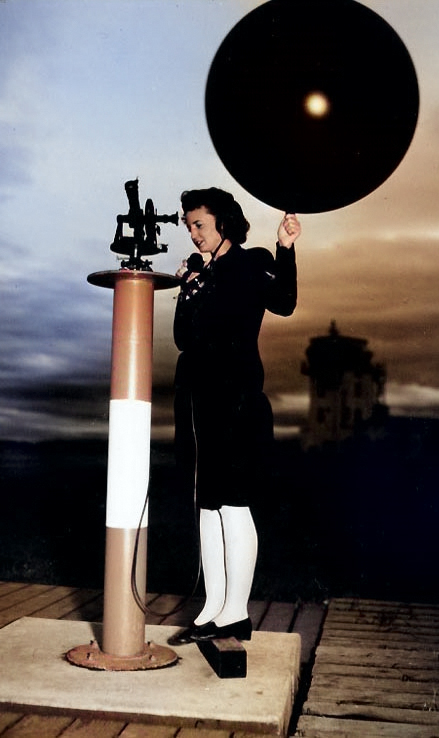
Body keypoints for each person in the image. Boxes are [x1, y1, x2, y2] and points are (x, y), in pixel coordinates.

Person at [168, 187, 300, 645]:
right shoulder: (201, 275)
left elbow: (284, 301)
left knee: (234, 503)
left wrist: (285, 248)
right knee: (207, 504)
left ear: (223, 222)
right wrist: (187, 287)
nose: (192, 233)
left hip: (238, 401)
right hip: (200, 402)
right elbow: (183, 337)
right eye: (188, 226)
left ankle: (237, 613)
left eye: (199, 224)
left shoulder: (251, 262)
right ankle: (212, 609)